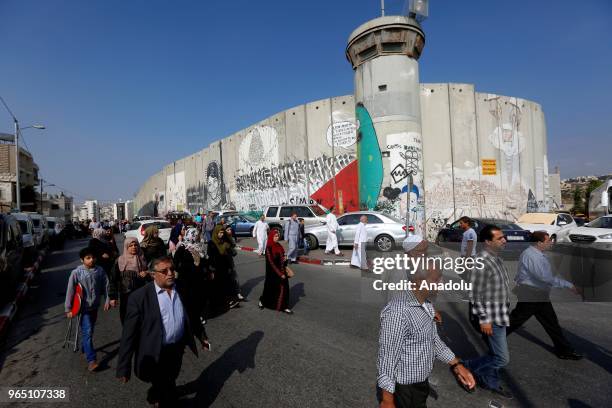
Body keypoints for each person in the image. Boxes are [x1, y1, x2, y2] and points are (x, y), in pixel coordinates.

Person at [116, 256, 210, 407]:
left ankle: (155, 395)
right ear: (153, 274)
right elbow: (129, 335)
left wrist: (202, 336)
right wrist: (123, 367)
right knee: (166, 388)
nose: (170, 273)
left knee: (171, 377)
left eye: (172, 269)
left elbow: (191, 315)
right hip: (155, 352)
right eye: (164, 271)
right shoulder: (139, 297)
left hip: (177, 348)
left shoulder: (182, 288)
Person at [377, 265, 475, 408]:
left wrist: (456, 364)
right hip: (404, 388)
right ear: (418, 280)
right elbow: (387, 360)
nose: (441, 283)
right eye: (436, 279)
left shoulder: (426, 305)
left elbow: (433, 341)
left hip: (420, 382)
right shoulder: (398, 312)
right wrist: (387, 400)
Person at [507, 231, 583, 360]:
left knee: (551, 322)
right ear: (539, 242)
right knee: (516, 320)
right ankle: (492, 337)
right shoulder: (532, 256)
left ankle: (564, 350)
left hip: (538, 293)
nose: (550, 243)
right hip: (531, 294)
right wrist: (569, 286)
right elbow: (544, 277)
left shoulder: (537, 254)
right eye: (548, 241)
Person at [464, 225, 512, 399]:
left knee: (494, 353)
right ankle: (468, 366)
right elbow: (474, 293)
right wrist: (484, 320)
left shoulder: (495, 258)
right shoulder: (482, 261)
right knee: (501, 358)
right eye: (500, 238)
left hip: (500, 313)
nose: (504, 240)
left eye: (503, 237)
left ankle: (490, 382)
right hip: (490, 317)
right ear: (487, 242)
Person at [65, 247, 111, 372]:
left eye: (93, 257)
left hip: (95, 306)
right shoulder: (76, 273)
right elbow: (70, 291)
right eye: (88, 258)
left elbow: (106, 286)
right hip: (82, 308)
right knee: (88, 331)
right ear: (82, 260)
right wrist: (68, 309)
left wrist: (107, 299)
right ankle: (92, 360)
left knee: (90, 330)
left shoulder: (100, 271)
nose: (91, 260)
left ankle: (85, 347)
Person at [109, 238, 149, 324]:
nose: (133, 247)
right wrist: (113, 297)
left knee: (142, 319)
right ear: (126, 247)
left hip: (142, 293)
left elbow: (153, 273)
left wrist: (147, 273)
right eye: (130, 246)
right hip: (127, 295)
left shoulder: (143, 258)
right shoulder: (120, 260)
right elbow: (113, 279)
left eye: (135, 245)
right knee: (128, 319)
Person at [174, 227, 208, 324]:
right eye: (195, 234)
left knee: (199, 297)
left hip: (199, 277)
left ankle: (197, 315)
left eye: (197, 234)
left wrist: (207, 270)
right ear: (190, 235)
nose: (197, 236)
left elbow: (205, 260)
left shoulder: (199, 246)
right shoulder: (182, 247)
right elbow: (176, 262)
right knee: (188, 298)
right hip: (186, 278)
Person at [259, 229, 293, 314]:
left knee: (285, 288)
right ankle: (262, 301)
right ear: (271, 236)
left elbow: (283, 257)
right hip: (272, 273)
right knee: (269, 289)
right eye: (275, 236)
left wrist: (285, 259)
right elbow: (271, 262)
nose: (277, 238)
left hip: (281, 270)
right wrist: (279, 274)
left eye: (278, 236)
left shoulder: (279, 246)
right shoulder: (268, 248)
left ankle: (284, 307)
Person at [207, 225, 238, 312]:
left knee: (225, 286)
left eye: (222, 233)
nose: (221, 234)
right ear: (216, 233)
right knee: (217, 287)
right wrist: (212, 270)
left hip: (224, 268)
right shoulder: (211, 243)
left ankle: (227, 302)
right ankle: (216, 305)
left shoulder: (224, 242)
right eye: (220, 233)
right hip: (216, 269)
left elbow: (230, 254)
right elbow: (211, 257)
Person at [224, 225, 245, 302]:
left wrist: (233, 249)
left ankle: (238, 293)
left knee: (234, 277)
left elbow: (234, 252)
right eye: (228, 230)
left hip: (230, 260)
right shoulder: (222, 239)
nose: (230, 231)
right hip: (223, 261)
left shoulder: (232, 239)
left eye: (230, 229)